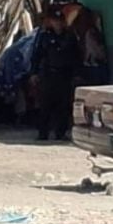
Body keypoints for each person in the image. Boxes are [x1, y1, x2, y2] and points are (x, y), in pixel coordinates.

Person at [30, 9, 82, 141]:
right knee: (45, 104)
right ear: (51, 22)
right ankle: (43, 133)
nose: (57, 23)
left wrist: (77, 74)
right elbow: (37, 55)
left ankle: (60, 133)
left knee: (63, 105)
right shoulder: (45, 36)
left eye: (60, 21)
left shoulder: (69, 36)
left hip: (64, 75)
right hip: (48, 74)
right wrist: (34, 73)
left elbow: (76, 56)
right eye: (55, 21)